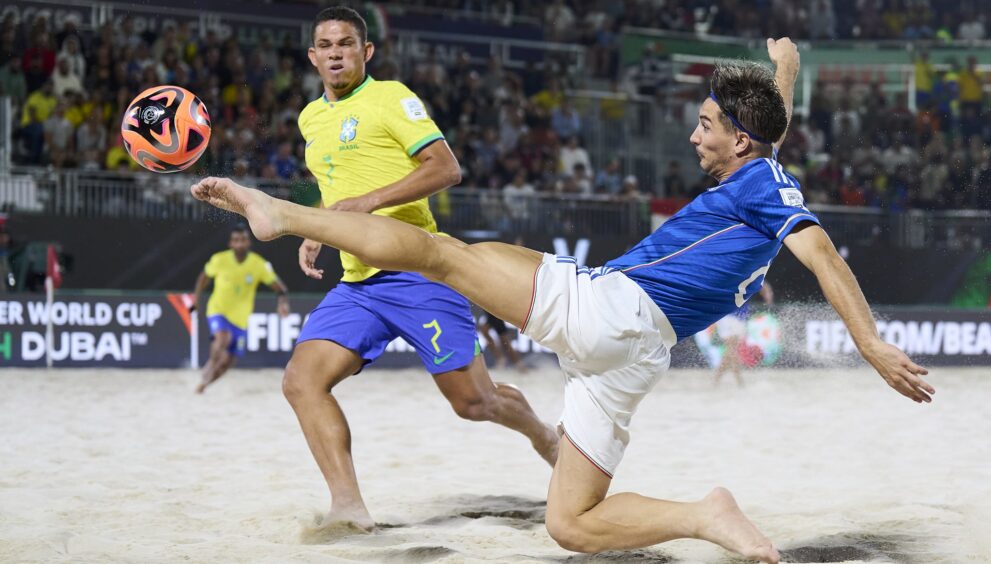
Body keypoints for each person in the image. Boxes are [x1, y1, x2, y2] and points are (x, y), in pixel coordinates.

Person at [191, 38, 935, 562]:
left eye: (706, 124)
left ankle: (279, 213)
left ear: (738, 141)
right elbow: (769, 139)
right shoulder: (764, 176)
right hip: (635, 357)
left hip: (611, 310)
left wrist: (869, 342)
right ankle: (705, 516)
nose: (692, 134)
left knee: (437, 254)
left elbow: (822, 253)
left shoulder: (762, 186)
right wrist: (785, 72)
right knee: (571, 524)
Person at [280, 6, 558, 531]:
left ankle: (545, 436)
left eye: (346, 43)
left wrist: (368, 203)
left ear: (366, 52)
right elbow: (335, 185)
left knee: (474, 403)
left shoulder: (391, 97)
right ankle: (348, 507)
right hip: (358, 284)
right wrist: (320, 228)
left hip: (418, 270)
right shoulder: (310, 117)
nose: (336, 53)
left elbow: (446, 168)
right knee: (301, 381)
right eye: (326, 45)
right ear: (313, 57)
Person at [190, 224, 289, 394]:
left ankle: (203, 386)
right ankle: (211, 364)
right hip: (218, 310)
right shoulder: (219, 260)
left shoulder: (259, 264)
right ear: (230, 243)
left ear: (249, 242)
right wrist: (196, 300)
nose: (240, 244)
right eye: (236, 240)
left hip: (241, 320)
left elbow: (280, 288)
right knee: (222, 338)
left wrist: (282, 303)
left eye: (243, 240)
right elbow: (203, 278)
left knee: (228, 363)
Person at [711, 282, 774, 387]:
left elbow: (762, 283)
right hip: (729, 315)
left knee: (730, 350)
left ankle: (717, 379)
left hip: (736, 316)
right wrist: (768, 295)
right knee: (732, 349)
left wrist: (767, 294)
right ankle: (738, 380)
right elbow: (762, 284)